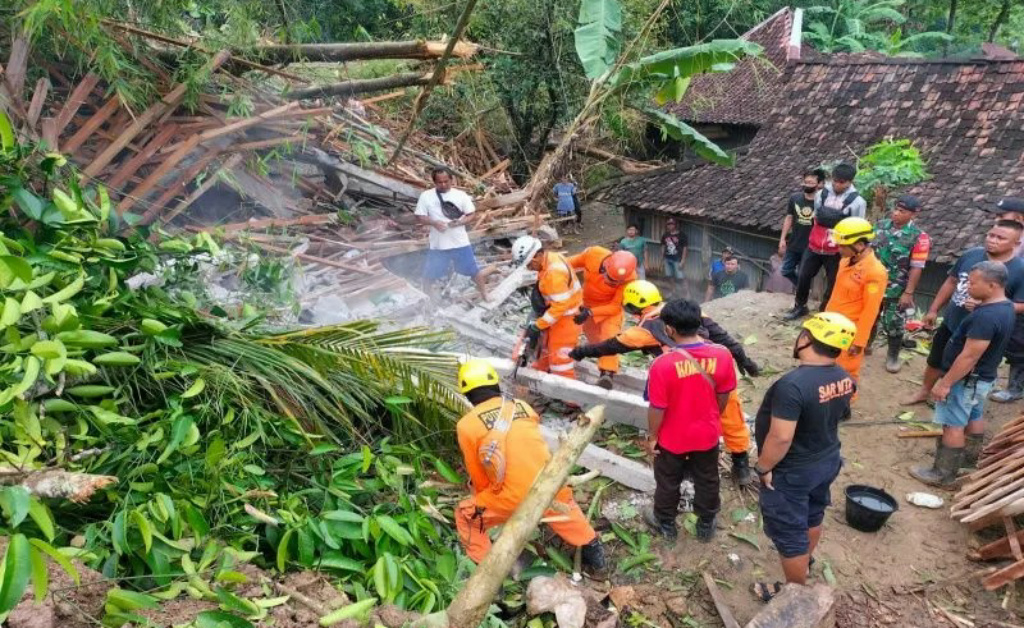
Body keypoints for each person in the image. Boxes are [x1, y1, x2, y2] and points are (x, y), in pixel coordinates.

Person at [568, 280, 760, 485]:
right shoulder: (692, 313)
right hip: (715, 373)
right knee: (731, 417)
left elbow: (609, 346)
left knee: (683, 422)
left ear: (632, 307)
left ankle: (686, 468)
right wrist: (744, 360)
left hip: (682, 381)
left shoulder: (644, 330)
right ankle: (741, 467)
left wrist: (579, 352)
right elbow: (724, 338)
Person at [453, 359, 606, 569]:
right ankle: (594, 551)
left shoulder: (466, 426)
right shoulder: (523, 406)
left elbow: (479, 476)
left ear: (467, 395)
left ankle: (486, 569)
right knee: (563, 507)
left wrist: (487, 500)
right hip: (550, 484)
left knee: (466, 516)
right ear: (496, 385)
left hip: (511, 497)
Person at [752, 312, 857, 601]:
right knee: (813, 513)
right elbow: (841, 413)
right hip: (826, 460)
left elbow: (781, 437)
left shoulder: (792, 385)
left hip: (793, 471)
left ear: (807, 338)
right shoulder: (844, 378)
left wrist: (763, 466)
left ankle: (795, 595)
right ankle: (805, 562)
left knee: (789, 534)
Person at [910, 262, 1017, 486]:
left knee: (953, 424)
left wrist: (945, 383)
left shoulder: (985, 318)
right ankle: (967, 462)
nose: (967, 286)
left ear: (992, 285)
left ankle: (943, 474)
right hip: (984, 378)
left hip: (966, 380)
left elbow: (969, 356)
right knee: (974, 416)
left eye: (972, 282)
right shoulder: (1005, 307)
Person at [642, 299, 737, 541]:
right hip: (707, 434)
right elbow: (724, 395)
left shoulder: (662, 365)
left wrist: (653, 436)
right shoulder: (723, 355)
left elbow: (657, 408)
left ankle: (665, 523)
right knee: (707, 478)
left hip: (672, 437)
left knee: (668, 480)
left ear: (670, 329)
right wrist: (712, 417)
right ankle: (706, 523)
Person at [903, 220, 1024, 406]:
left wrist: (986, 306)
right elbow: (951, 282)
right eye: (991, 235)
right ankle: (924, 392)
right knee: (935, 358)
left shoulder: (1020, 269)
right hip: (953, 320)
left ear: (1016, 243)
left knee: (966, 365)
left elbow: (1021, 305)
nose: (993, 240)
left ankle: (951, 402)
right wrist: (934, 309)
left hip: (982, 332)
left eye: (1001, 238)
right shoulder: (971, 255)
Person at [783, 163, 867, 320]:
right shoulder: (821, 194)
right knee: (803, 275)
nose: (837, 184)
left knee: (834, 281)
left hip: (837, 250)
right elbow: (816, 217)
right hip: (814, 245)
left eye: (842, 182)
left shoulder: (858, 202)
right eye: (835, 180)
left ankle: (825, 311)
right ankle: (800, 306)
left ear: (850, 182)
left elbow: (857, 226)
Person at [822, 217, 887, 404]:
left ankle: (845, 404)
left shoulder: (875, 272)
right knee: (827, 365)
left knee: (846, 371)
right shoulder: (845, 261)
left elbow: (870, 310)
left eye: (842, 245)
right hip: (831, 324)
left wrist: (859, 342)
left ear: (859, 245)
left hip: (850, 331)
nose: (838, 249)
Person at [869, 195, 931, 373]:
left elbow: (916, 267)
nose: (895, 213)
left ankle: (893, 355)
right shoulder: (880, 227)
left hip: (897, 288)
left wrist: (909, 293)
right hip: (872, 284)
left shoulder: (919, 237)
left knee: (894, 324)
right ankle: (865, 345)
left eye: (901, 211)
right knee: (870, 315)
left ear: (913, 215)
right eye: (895, 209)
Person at [512, 235, 583, 379]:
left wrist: (538, 325)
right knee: (546, 347)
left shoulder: (553, 274)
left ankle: (570, 398)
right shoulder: (551, 258)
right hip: (561, 315)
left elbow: (560, 306)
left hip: (567, 320)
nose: (529, 268)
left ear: (537, 256)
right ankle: (541, 370)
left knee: (560, 361)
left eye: (529, 264)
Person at [566, 247, 638, 389]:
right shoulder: (593, 254)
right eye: (610, 280)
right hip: (586, 303)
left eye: (616, 282)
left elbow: (616, 306)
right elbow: (567, 264)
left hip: (609, 310)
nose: (612, 284)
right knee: (594, 340)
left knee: (609, 338)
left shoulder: (630, 278)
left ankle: (607, 374)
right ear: (605, 267)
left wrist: (590, 313)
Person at [415, 168, 490, 301]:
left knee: (473, 271)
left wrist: (460, 223)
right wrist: (434, 222)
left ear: (452, 180)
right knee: (429, 275)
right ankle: (428, 300)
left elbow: (471, 214)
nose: (443, 185)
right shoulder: (426, 196)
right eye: (439, 182)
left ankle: (485, 295)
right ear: (434, 182)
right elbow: (420, 216)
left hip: (459, 242)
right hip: (438, 245)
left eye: (446, 181)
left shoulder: (460, 195)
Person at [983, 198, 1024, 402]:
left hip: (1019, 302)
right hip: (1001, 300)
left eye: (1001, 215)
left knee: (1018, 346)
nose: (996, 219)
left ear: (1018, 218)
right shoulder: (1002, 237)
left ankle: (1015, 388)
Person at [779, 169, 827, 286]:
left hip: (811, 245)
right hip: (794, 242)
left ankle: (801, 296)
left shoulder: (822, 202)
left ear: (819, 184)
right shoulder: (795, 198)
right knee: (785, 270)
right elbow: (789, 217)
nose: (807, 185)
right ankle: (802, 288)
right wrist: (782, 239)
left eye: (811, 183)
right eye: (806, 182)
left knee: (803, 273)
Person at [661, 218, 689, 296]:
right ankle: (673, 291)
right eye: (668, 224)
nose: (670, 226)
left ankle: (687, 293)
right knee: (669, 276)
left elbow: (685, 248)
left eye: (672, 224)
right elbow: (663, 245)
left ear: (676, 225)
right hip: (667, 259)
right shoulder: (665, 234)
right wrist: (662, 258)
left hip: (677, 259)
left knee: (681, 277)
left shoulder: (682, 235)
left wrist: (683, 260)